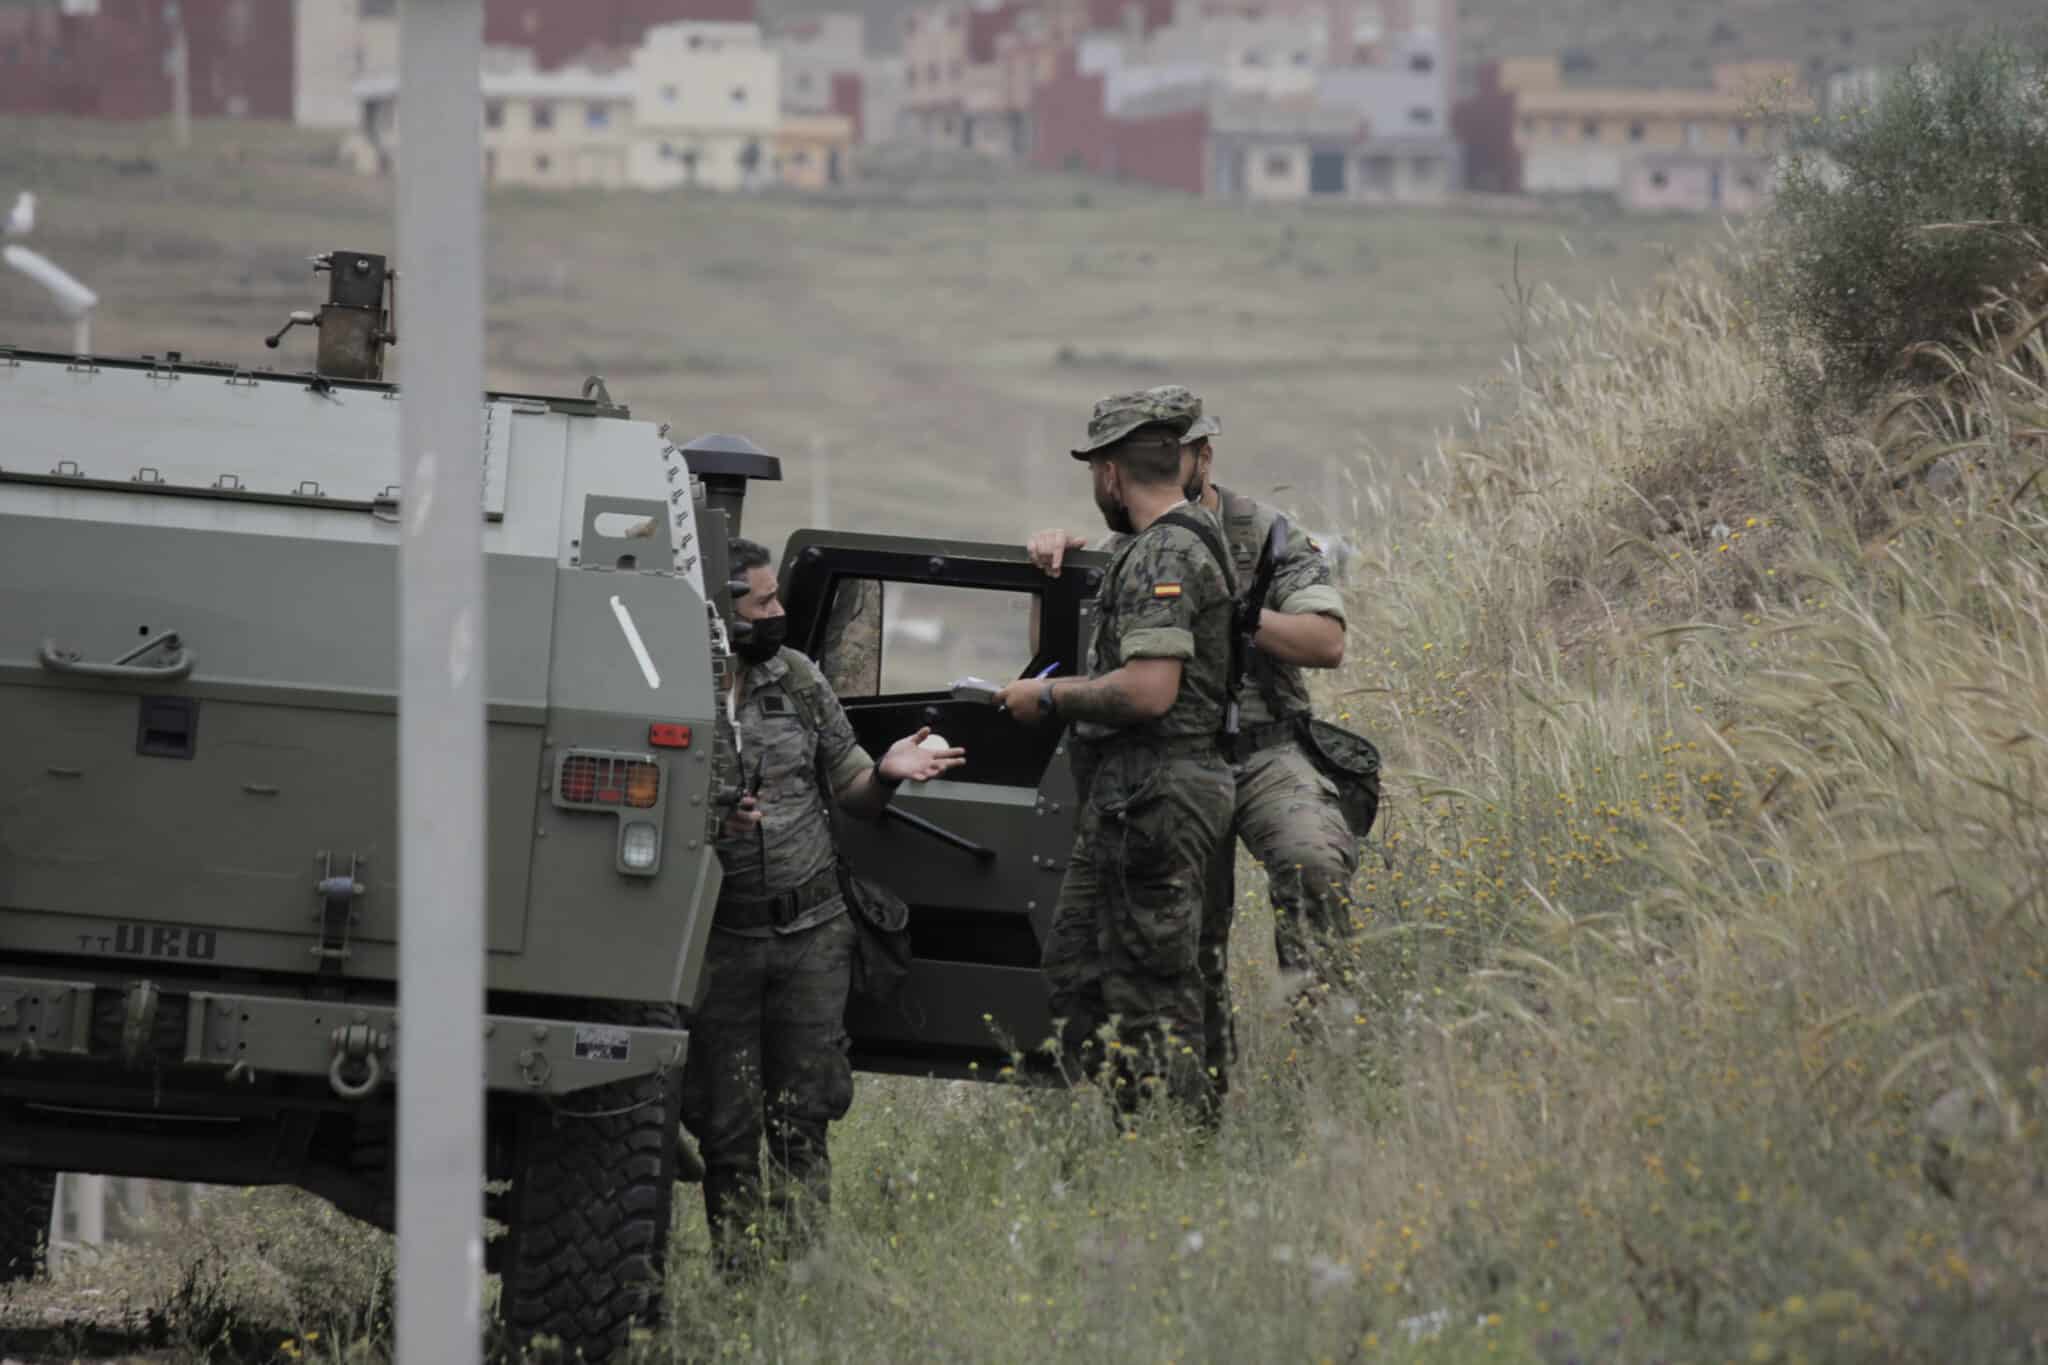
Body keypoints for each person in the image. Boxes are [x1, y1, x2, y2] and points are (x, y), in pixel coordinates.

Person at [1026, 394, 1352, 1093]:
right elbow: (1077, 671)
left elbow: (1326, 641)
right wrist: (1049, 580)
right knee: (1185, 935)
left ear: (1202, 456)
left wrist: (1225, 613)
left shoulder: (1263, 534)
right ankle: (1204, 1095)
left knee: (1311, 860)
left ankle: (1325, 1057)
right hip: (1178, 756)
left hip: (1264, 746)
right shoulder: (1133, 550)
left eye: (1192, 450)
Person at [682, 536, 965, 1267]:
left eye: (778, 596)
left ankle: (803, 1277)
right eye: (763, 601)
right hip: (721, 943)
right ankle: (743, 1287)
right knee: (727, 1129)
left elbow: (854, 791)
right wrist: (712, 823)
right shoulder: (672, 685)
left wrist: (890, 772)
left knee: (803, 1121)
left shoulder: (799, 680)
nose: (778, 611)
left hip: (812, 938)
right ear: (720, 610)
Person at [994, 388, 1236, 1121]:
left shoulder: (1169, 548)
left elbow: (1151, 688)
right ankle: (1137, 1132)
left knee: (1156, 991)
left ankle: (1178, 1146)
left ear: (1108, 472)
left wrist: (1051, 697)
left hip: (1158, 795)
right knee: (1082, 972)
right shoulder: (1155, 544)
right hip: (1133, 797)